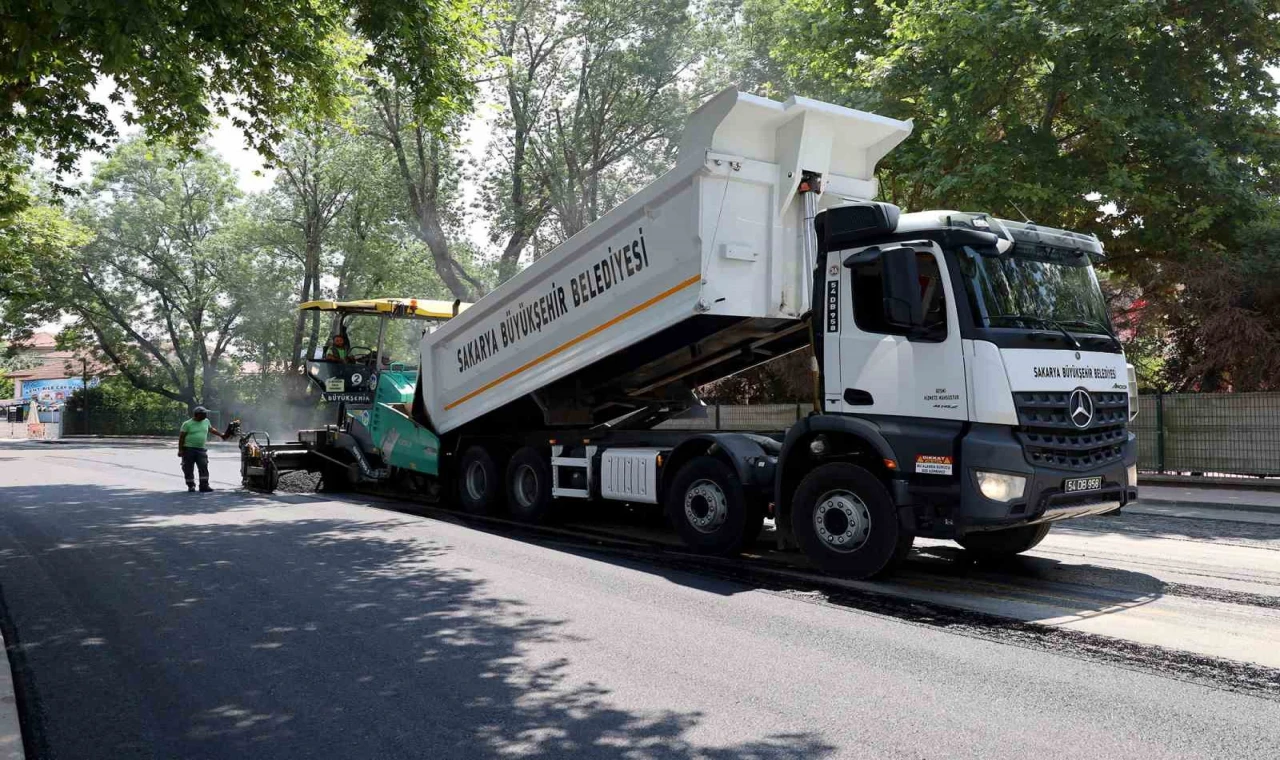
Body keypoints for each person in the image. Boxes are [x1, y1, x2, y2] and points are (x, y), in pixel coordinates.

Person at [178, 406, 231, 493]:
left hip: (201, 449)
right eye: (203, 414)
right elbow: (181, 438)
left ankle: (204, 486)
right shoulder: (187, 424)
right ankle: (191, 486)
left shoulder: (206, 421)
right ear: (197, 414)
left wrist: (221, 435)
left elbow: (211, 429)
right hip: (188, 449)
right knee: (188, 468)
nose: (205, 415)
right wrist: (180, 450)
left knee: (203, 467)